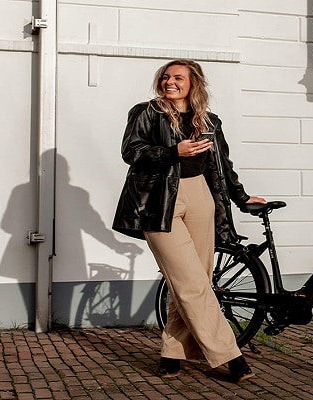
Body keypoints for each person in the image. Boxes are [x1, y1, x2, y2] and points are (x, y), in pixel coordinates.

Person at [112, 59, 266, 383]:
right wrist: (173, 152)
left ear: (193, 83)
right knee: (189, 282)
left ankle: (172, 353)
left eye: (178, 77)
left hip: (200, 198)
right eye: (165, 77)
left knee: (195, 280)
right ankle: (229, 355)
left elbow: (222, 165)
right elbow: (131, 151)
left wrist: (241, 197)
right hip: (159, 200)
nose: (170, 82)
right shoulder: (146, 112)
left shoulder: (209, 121)